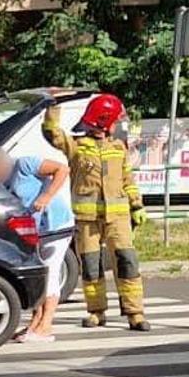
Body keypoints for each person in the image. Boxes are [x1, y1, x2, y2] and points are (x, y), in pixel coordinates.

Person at [45, 94, 149, 331]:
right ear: (103, 121)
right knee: (92, 268)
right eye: (114, 120)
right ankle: (96, 312)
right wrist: (53, 106)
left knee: (127, 264)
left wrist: (137, 205)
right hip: (87, 221)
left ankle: (135, 313)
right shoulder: (76, 146)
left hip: (118, 219)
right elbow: (52, 133)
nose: (117, 124)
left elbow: (127, 180)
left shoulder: (118, 148)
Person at [0, 145, 73, 343]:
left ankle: (46, 326)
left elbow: (62, 169)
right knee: (38, 276)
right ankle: (35, 323)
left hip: (55, 225)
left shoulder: (25, 165)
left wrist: (46, 196)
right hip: (33, 232)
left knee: (51, 273)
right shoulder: (2, 184)